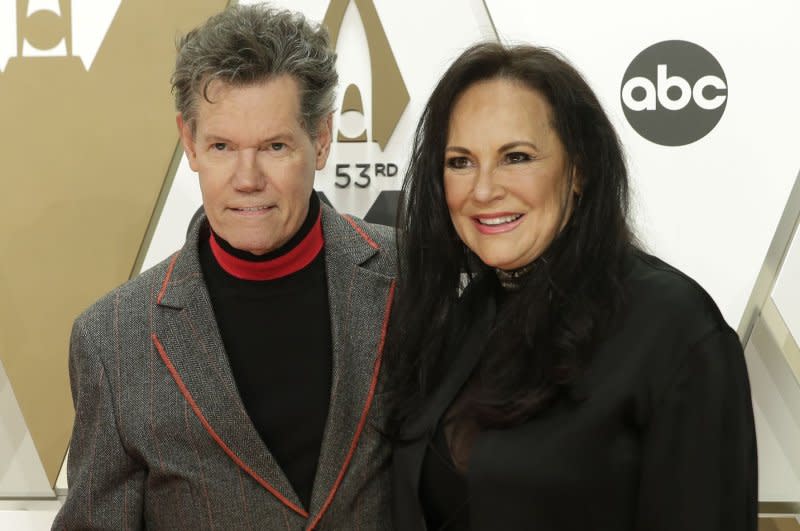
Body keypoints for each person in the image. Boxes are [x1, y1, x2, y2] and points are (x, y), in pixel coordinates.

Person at [387, 42, 757, 530]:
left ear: (579, 168)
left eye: (515, 157)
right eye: (460, 161)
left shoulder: (675, 326)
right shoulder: (457, 316)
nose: (482, 189)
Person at [53, 5, 396, 529]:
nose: (247, 178)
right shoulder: (113, 339)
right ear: (189, 143)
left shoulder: (411, 275)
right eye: (221, 147)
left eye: (275, 146)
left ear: (322, 140)